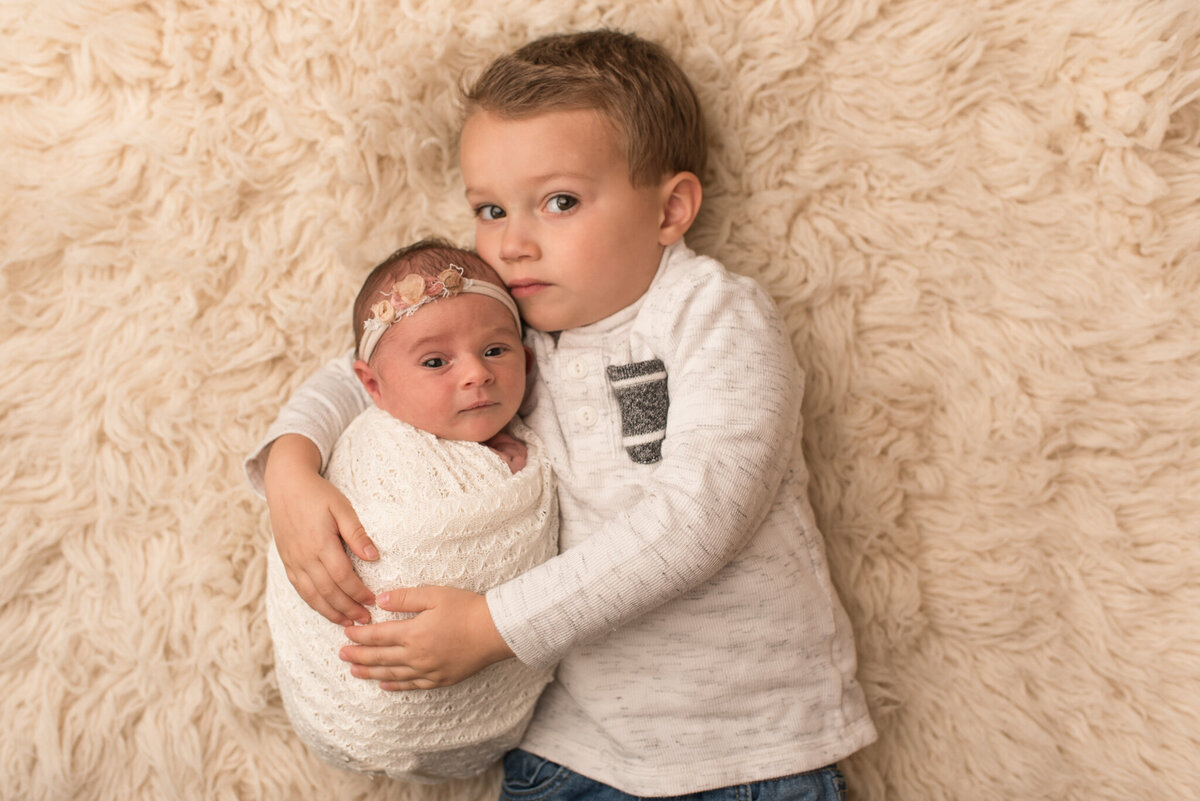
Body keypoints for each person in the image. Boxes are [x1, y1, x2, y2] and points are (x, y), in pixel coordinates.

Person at [245, 29, 876, 800]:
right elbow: (376, 362)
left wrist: (490, 627)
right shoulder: (506, 330)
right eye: (489, 208)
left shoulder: (709, 313)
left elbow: (701, 516)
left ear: (669, 208)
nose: (513, 243)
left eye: (560, 202)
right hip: (566, 751)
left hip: (746, 745)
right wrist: (291, 464)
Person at [260, 240, 557, 781]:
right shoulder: (371, 440)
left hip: (492, 695)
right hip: (344, 691)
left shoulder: (536, 438)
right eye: (436, 362)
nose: (476, 374)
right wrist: (291, 470)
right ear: (373, 386)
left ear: (526, 354)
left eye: (495, 351)